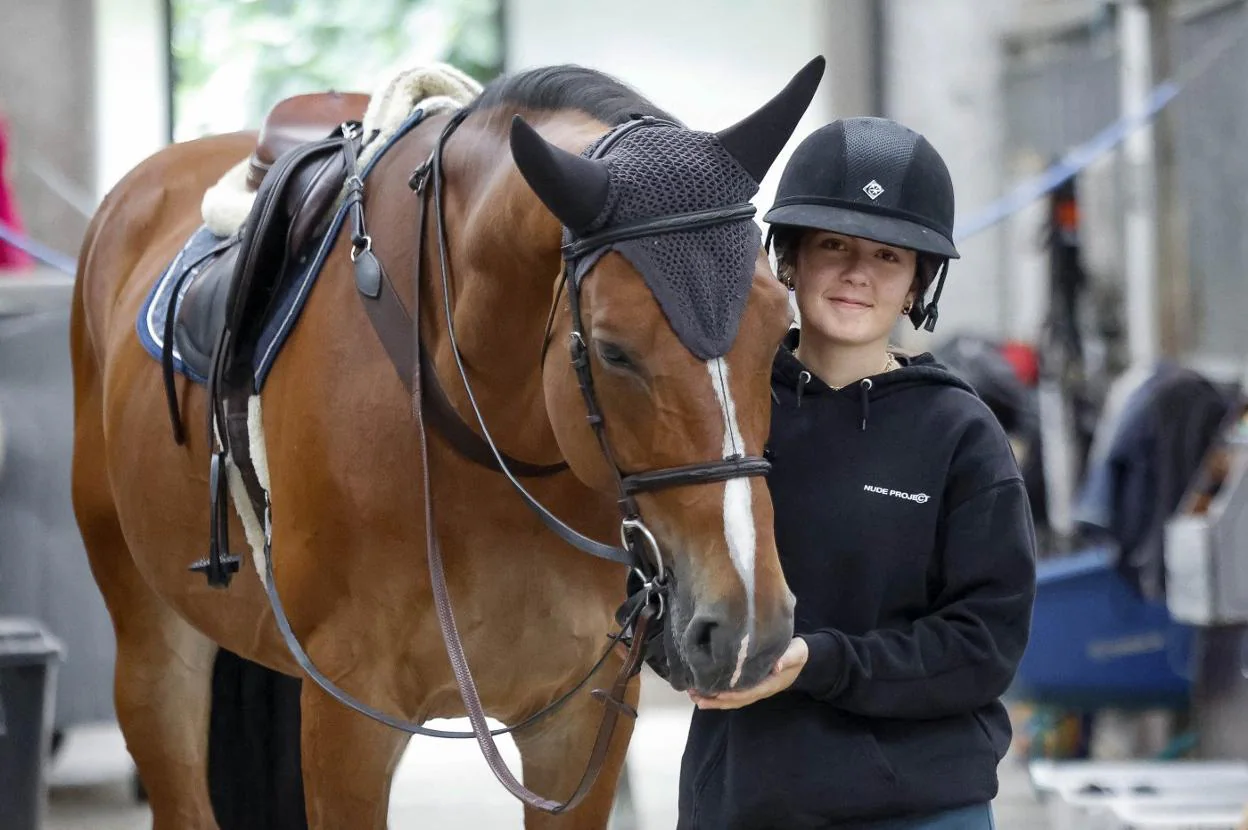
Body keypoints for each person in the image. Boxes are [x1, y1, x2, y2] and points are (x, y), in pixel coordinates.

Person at [675, 117, 1037, 829]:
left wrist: (819, 662)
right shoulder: (721, 412)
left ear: (915, 285)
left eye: (888, 256)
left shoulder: (961, 435)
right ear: (791, 259)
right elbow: (661, 580)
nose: (856, 274)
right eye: (834, 245)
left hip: (920, 808)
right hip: (743, 805)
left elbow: (983, 647)